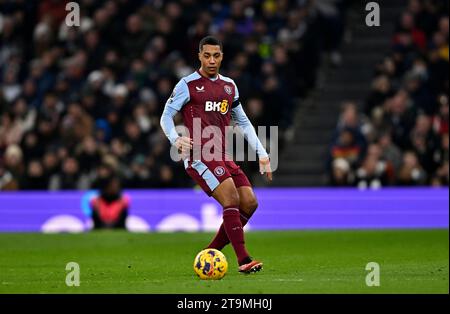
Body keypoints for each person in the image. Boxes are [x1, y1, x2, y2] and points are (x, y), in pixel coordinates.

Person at [160, 36, 272, 274]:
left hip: (222, 154)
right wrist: (175, 138)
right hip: (200, 154)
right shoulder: (187, 85)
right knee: (230, 198)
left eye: (216, 55)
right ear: (199, 56)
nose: (212, 60)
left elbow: (243, 121)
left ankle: (208, 254)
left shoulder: (229, 86)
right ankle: (243, 259)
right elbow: (165, 116)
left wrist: (262, 154)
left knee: (250, 203)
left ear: (222, 56)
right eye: (207, 55)